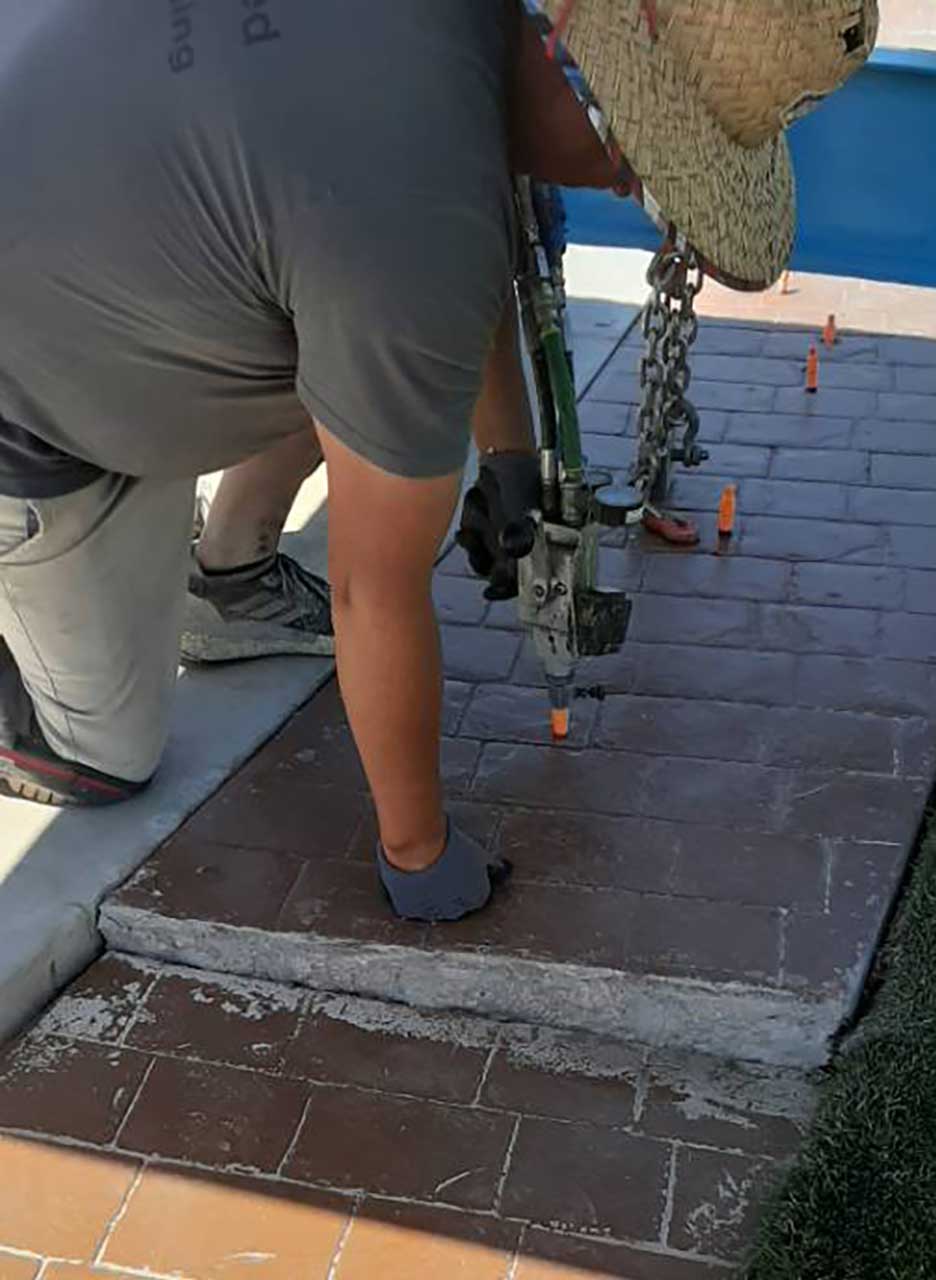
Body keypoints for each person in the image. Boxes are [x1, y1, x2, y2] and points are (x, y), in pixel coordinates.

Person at [0, 0, 876, 922]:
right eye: (640, 159)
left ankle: (232, 577)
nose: (627, 185)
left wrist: (507, 454)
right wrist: (418, 851)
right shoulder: (410, 209)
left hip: (93, 231)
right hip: (34, 411)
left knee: (363, 365)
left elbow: (452, 230)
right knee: (104, 757)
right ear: (567, 51)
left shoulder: (454, 34)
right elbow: (369, 589)